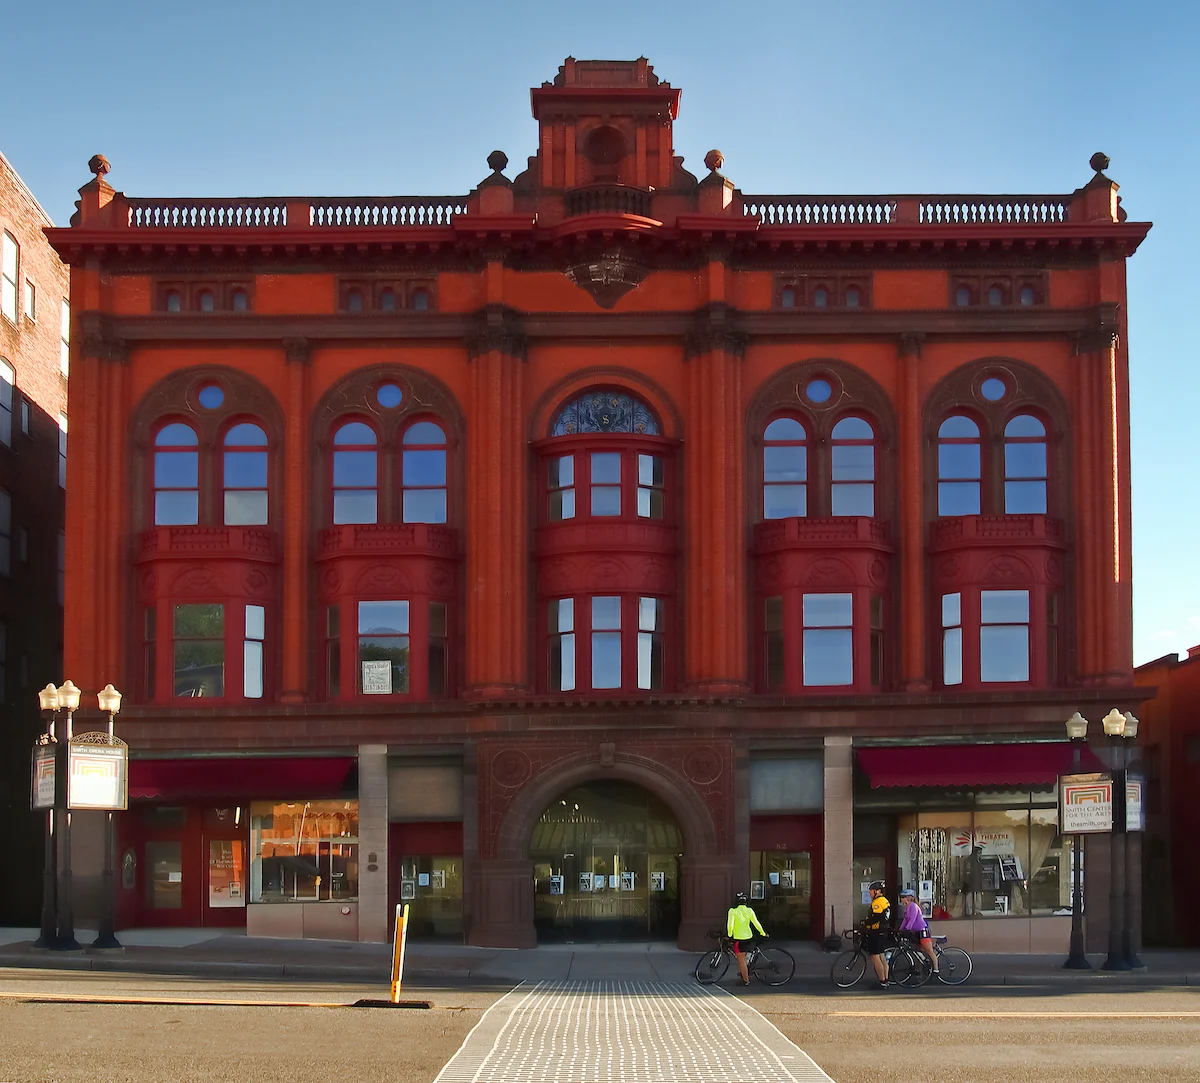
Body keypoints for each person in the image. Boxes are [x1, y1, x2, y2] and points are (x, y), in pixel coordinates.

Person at [727, 891, 767, 986]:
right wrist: (763, 933)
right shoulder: (749, 910)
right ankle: (747, 968)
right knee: (746, 959)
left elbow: (730, 925)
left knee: (741, 962)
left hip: (739, 939)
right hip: (749, 937)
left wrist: (729, 935)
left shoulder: (732, 911)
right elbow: (756, 923)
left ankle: (746, 981)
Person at [898, 887, 938, 976]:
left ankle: (936, 970)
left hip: (922, 930)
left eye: (903, 897)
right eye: (901, 897)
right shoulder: (906, 908)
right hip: (916, 932)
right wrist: (900, 930)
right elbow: (905, 920)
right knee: (916, 950)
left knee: (929, 951)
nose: (901, 898)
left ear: (909, 897)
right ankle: (918, 968)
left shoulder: (913, 906)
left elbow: (912, 919)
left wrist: (907, 929)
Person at [863, 880, 892, 989]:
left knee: (875, 957)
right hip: (883, 932)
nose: (869, 893)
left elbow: (876, 918)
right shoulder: (885, 901)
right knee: (881, 956)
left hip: (876, 932)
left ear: (878, 891)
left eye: (871, 891)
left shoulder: (877, 902)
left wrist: (866, 923)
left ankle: (882, 981)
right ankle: (885, 980)